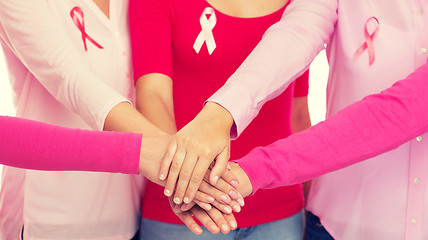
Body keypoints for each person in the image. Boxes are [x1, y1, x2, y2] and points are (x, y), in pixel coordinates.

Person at [171, 0, 428, 239]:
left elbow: (402, 111)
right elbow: (298, 29)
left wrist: (249, 172)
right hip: (337, 222)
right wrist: (220, 112)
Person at [0, 1, 236, 238]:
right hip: (51, 217)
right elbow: (72, 81)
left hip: (127, 212)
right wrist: (180, 165)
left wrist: (182, 168)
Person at [129, 0, 312, 239]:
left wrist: (314, 204)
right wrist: (187, 181)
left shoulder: (302, 7)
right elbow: (153, 96)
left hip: (280, 209)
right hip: (184, 209)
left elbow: (298, 114)